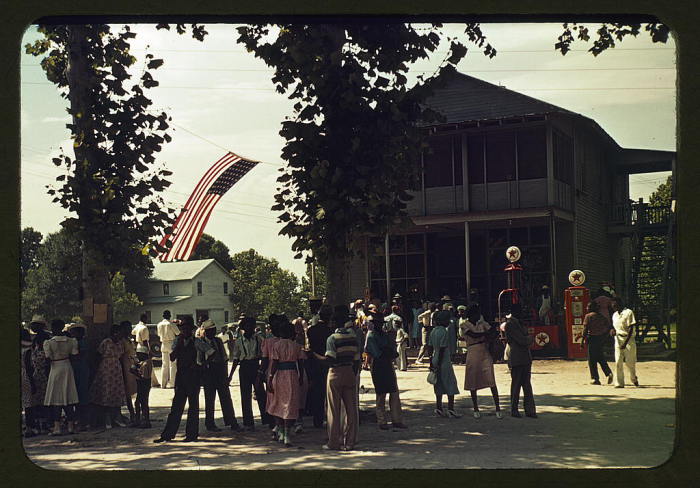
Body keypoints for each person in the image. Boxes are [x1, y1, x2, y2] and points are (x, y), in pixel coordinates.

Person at [315, 307, 362, 451]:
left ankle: (333, 442)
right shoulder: (353, 337)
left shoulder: (332, 339)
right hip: (349, 371)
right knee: (351, 410)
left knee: (333, 410)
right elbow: (357, 359)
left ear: (334, 322)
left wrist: (314, 355)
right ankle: (349, 442)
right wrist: (353, 374)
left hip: (335, 373)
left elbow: (329, 359)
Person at [154, 316, 202, 442]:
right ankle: (168, 434)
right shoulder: (177, 341)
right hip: (181, 376)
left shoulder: (197, 342)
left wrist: (199, 364)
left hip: (193, 376)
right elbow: (172, 357)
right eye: (183, 329)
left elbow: (210, 353)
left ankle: (191, 435)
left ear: (191, 330)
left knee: (193, 407)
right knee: (176, 407)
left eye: (187, 329)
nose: (185, 331)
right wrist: (179, 345)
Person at [365, 310, 408, 430]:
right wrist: (386, 351)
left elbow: (392, 351)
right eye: (377, 323)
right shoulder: (371, 335)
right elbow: (376, 353)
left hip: (388, 364)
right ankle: (382, 421)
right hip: (378, 365)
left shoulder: (384, 335)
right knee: (381, 394)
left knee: (394, 392)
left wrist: (388, 351)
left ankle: (397, 419)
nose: (379, 325)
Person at [267, 320, 306, 447]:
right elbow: (300, 363)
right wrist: (300, 376)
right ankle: (287, 434)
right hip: (292, 375)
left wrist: (270, 377)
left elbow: (274, 363)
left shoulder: (276, 345)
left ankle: (281, 431)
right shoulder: (296, 346)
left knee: (278, 402)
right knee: (290, 403)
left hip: (280, 375)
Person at [199, 319, 241, 432]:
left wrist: (226, 375)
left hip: (220, 371)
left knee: (226, 398)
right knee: (210, 400)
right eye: (210, 331)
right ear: (205, 332)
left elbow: (224, 358)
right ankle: (210, 424)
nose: (212, 333)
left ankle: (232, 422)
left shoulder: (218, 341)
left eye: (213, 330)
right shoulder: (200, 342)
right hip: (208, 372)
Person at [461, 306, 503, 419]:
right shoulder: (464, 325)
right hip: (473, 351)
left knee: (491, 379)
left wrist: (488, 334)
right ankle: (475, 408)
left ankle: (498, 407)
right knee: (473, 380)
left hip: (484, 351)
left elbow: (493, 332)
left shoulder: (482, 323)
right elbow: (473, 335)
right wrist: (485, 335)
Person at [229, 316, 269, 431]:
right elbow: (236, 358)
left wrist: (262, 370)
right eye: (247, 326)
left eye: (251, 326)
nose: (249, 328)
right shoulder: (239, 341)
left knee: (261, 393)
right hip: (244, 367)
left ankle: (266, 419)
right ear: (243, 328)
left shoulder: (259, 339)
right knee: (245, 395)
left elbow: (264, 355)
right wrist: (231, 375)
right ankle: (248, 422)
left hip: (255, 366)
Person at [43, 319, 79, 435]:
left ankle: (57, 427)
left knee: (56, 399)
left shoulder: (49, 343)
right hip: (67, 367)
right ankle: (70, 426)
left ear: (53, 328)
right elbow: (74, 356)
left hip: (55, 368)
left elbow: (47, 358)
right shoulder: (71, 341)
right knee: (68, 398)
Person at [90, 324, 127, 429]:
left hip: (116, 369)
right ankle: (107, 419)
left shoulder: (120, 343)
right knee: (106, 393)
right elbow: (98, 354)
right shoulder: (106, 342)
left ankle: (117, 417)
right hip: (106, 369)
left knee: (117, 393)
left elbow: (122, 355)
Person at [504, 304, 537, 418]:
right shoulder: (510, 324)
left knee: (526, 385)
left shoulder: (518, 323)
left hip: (524, 357)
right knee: (517, 384)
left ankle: (529, 410)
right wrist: (529, 338)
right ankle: (514, 409)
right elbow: (522, 340)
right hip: (517, 357)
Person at [428, 311, 461, 417]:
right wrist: (439, 362)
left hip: (434, 358)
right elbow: (443, 348)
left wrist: (432, 361)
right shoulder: (444, 332)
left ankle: (439, 407)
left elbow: (430, 347)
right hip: (444, 361)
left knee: (438, 384)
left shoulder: (433, 331)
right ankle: (451, 409)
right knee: (450, 382)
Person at [305, 304, 333, 428]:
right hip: (329, 362)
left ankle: (317, 419)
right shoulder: (331, 332)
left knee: (317, 392)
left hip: (314, 363)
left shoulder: (311, 330)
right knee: (331, 393)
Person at [582, 301, 614, 385]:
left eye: (588, 307)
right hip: (600, 339)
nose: (586, 308)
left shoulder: (588, 316)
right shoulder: (601, 317)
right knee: (600, 357)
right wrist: (604, 336)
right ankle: (608, 373)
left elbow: (585, 329)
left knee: (592, 360)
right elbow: (608, 326)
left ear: (591, 308)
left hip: (592, 339)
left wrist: (582, 340)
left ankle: (595, 378)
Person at [29, 317, 51, 435]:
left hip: (44, 374)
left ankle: (46, 422)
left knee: (44, 399)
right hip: (37, 374)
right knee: (38, 399)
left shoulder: (44, 338)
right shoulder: (35, 340)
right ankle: (41, 422)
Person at [67, 321, 91, 430]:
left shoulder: (83, 343)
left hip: (82, 370)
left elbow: (80, 355)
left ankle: (83, 421)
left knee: (82, 395)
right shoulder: (73, 342)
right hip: (75, 370)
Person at [611, 297, 639, 388]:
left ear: (619, 304)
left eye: (615, 304)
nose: (613, 306)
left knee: (630, 362)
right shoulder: (615, 315)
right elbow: (615, 327)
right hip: (618, 339)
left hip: (628, 340)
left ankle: (633, 378)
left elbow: (631, 329)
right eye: (612, 305)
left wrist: (625, 343)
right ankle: (619, 383)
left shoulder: (628, 312)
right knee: (618, 361)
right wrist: (612, 331)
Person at [131, 333, 153, 429]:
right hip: (143, 384)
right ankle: (140, 420)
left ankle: (144, 420)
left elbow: (143, 377)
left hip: (143, 384)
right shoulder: (145, 362)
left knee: (142, 402)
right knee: (141, 402)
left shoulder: (145, 364)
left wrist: (134, 372)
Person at [119, 321, 138, 425]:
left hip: (131, 364)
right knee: (127, 391)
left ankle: (135, 412)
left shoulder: (129, 340)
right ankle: (132, 413)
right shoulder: (122, 341)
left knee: (132, 389)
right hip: (125, 366)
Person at [157, 310, 180, 389]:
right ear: (169, 316)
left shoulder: (159, 324)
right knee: (172, 365)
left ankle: (163, 384)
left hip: (163, 344)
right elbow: (178, 333)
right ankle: (172, 384)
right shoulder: (171, 324)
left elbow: (158, 334)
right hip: (171, 344)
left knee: (164, 365)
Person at [21, 328, 35, 437]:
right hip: (24, 375)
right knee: (28, 402)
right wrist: (32, 381)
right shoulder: (27, 348)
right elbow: (28, 365)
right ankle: (29, 428)